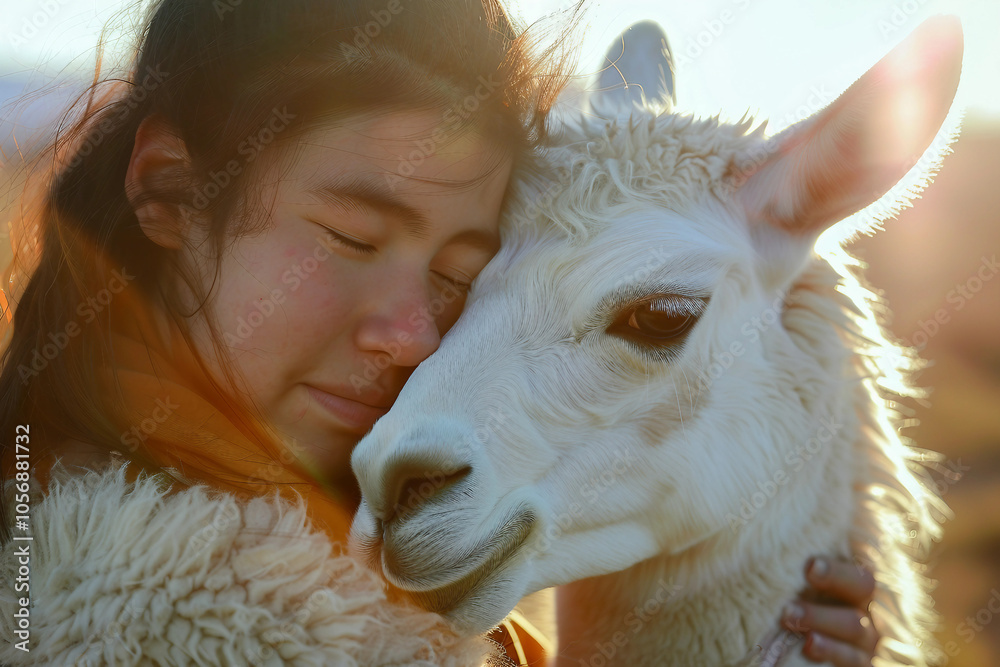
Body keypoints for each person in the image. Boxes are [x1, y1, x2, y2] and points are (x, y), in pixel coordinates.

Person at [0, 0, 879, 664]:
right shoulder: (176, 625)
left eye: (463, 276)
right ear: (169, 190)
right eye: (351, 239)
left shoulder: (73, 491)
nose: (415, 336)